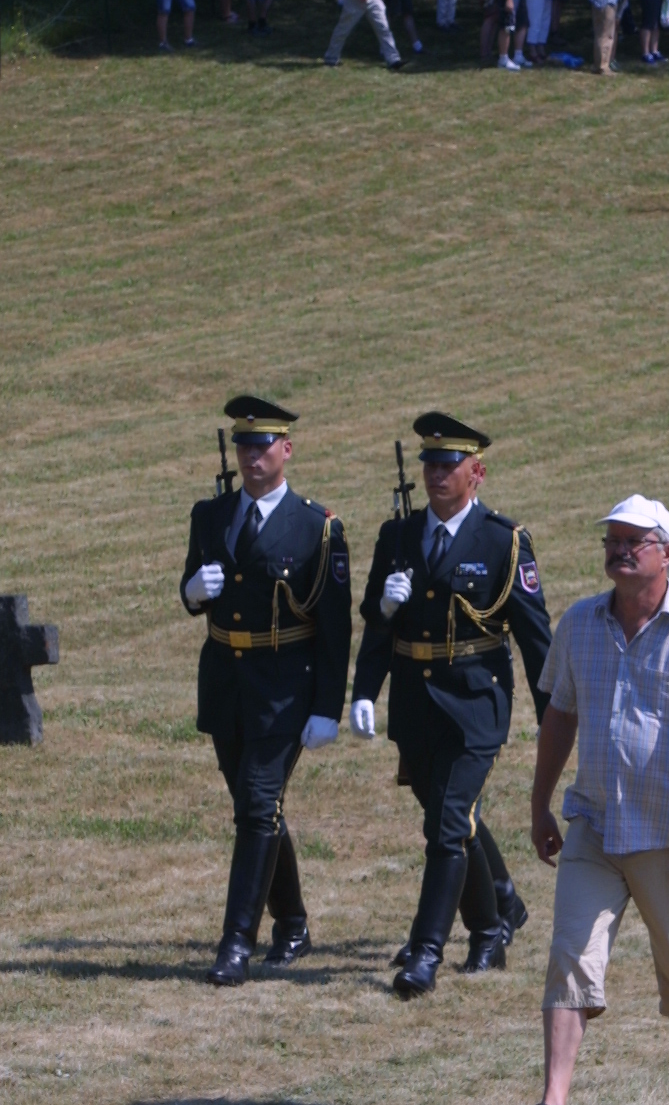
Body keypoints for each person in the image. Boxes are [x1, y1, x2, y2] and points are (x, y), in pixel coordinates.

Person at [496, 494, 669, 1105]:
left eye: (632, 541)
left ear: (667, 553)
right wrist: (540, 803)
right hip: (595, 826)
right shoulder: (580, 623)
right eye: (612, 540)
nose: (618, 550)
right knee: (570, 958)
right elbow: (560, 714)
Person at [350, 413, 553, 997]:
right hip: (416, 703)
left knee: (446, 826)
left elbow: (535, 639)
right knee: (451, 819)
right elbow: (378, 625)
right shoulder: (397, 536)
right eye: (430, 464)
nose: (436, 474)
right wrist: (365, 689)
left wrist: (554, 718)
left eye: (449, 464)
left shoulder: (502, 541)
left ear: (476, 473)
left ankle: (425, 953)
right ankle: (493, 922)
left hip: (474, 703)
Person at [180, 397, 352, 984]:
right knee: (257, 808)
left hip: (285, 687)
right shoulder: (211, 515)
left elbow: (334, 628)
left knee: (257, 804)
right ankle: (294, 924)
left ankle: (235, 943)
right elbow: (190, 585)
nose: (252, 457)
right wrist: (191, 592)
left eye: (263, 446)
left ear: (287, 450)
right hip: (226, 682)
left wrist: (327, 708)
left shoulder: (316, 527)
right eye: (243, 446)